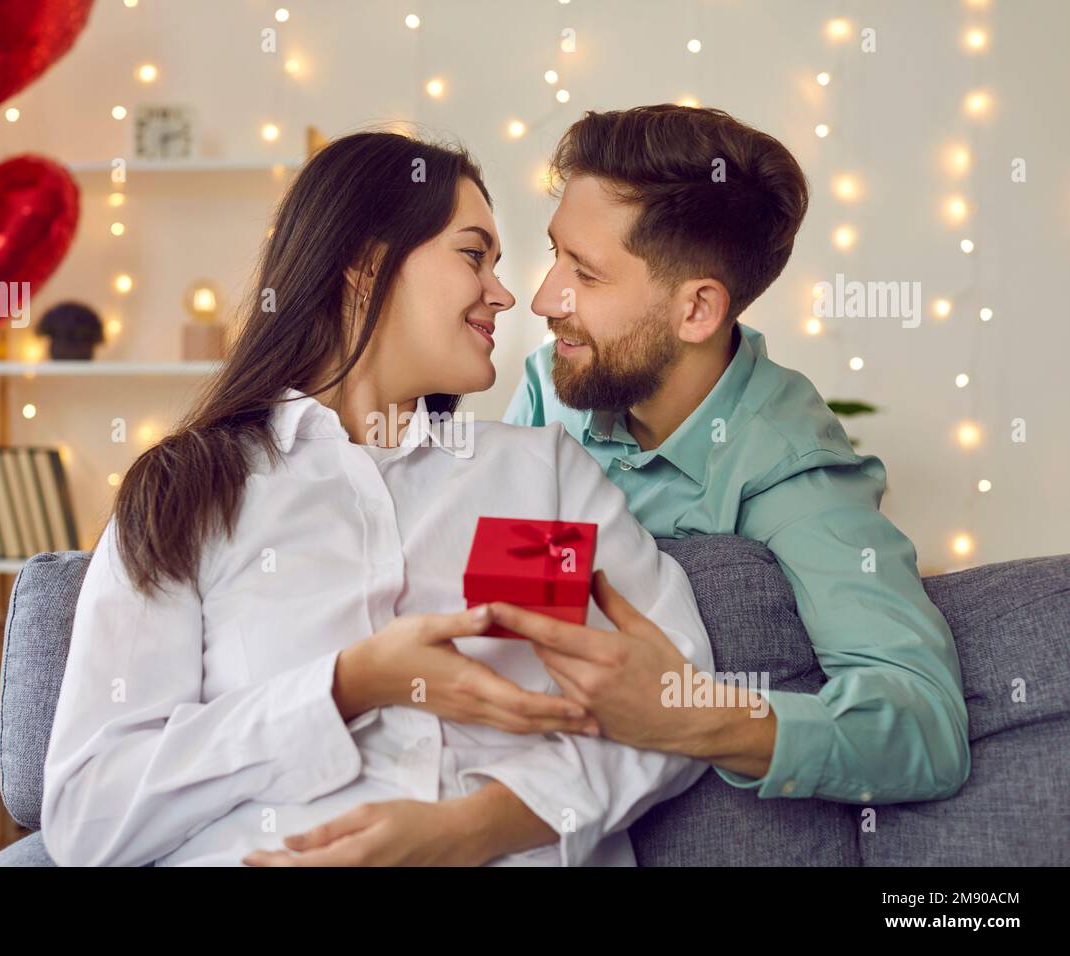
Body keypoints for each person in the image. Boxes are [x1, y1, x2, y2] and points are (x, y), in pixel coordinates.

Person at [40, 131, 714, 867]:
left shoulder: (534, 480)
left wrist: (477, 827)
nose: (505, 293)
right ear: (366, 265)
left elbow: (678, 704)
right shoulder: (189, 491)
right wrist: (346, 685)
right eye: (472, 254)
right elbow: (90, 813)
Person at [502, 105, 971, 805]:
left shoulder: (787, 465)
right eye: (555, 254)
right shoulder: (553, 385)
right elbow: (502, 599)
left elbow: (924, 726)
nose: (543, 298)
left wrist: (690, 718)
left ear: (697, 311)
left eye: (586, 274)